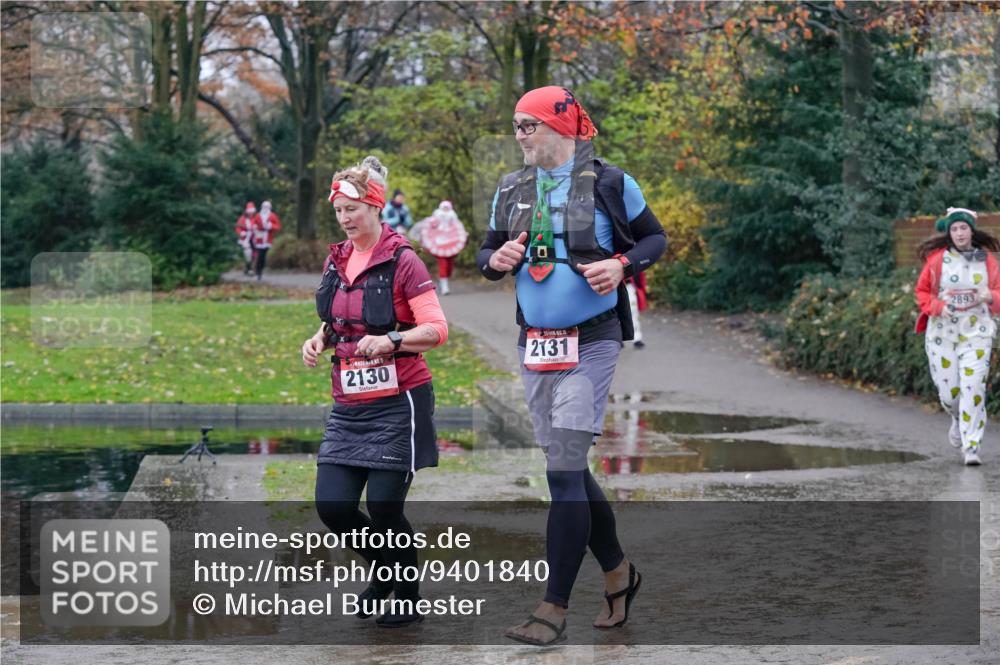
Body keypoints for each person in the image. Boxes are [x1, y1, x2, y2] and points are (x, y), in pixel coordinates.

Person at [477, 86, 667, 645]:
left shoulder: (611, 182)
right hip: (534, 345)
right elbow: (486, 256)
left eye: (526, 125)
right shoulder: (511, 188)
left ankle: (551, 607)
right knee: (570, 471)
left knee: (562, 469)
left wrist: (622, 265)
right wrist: (497, 259)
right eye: (515, 126)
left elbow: (655, 238)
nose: (518, 136)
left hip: (592, 343)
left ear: (559, 128)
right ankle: (618, 574)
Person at [301, 156, 448, 627]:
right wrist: (319, 337)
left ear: (374, 207)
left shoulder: (403, 260)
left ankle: (406, 594)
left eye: (353, 209)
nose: (345, 219)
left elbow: (437, 329)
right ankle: (385, 570)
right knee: (334, 505)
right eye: (339, 211)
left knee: (384, 507)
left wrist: (392, 340)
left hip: (398, 401)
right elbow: (339, 315)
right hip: (349, 402)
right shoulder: (337, 258)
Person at [915, 207, 999, 466]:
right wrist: (939, 307)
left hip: (977, 333)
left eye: (964, 228)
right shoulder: (938, 260)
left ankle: (971, 446)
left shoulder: (988, 260)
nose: (960, 233)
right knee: (951, 395)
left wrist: (991, 297)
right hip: (943, 334)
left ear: (971, 230)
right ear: (949, 233)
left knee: (973, 388)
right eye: (955, 229)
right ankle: (956, 418)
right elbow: (923, 293)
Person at [418, 200, 468, 295]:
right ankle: (445, 286)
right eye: (444, 208)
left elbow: (459, 230)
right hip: (439, 246)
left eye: (447, 208)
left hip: (451, 246)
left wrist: (463, 236)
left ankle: (444, 280)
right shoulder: (435, 218)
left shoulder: (454, 219)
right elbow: (429, 229)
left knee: (449, 267)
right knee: (443, 265)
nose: (445, 211)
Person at [251, 200, 282, 281]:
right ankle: (258, 272)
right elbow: (253, 224)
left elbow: (278, 226)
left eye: (267, 207)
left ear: (269, 208)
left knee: (264, 256)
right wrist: (254, 227)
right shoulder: (258, 215)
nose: (265, 208)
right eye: (264, 207)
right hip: (259, 238)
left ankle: (260, 272)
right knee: (260, 255)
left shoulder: (272, 216)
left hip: (268, 238)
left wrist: (270, 226)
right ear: (262, 207)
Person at [625, 271, 648, 348]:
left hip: (630, 287)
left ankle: (637, 338)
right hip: (615, 288)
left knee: (633, 313)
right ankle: (618, 339)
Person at [235, 202, 256, 275]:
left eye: (252, 212)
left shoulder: (255, 218)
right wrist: (241, 233)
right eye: (249, 212)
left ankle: (248, 268)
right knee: (248, 253)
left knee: (254, 254)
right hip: (245, 239)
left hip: (254, 239)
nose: (251, 214)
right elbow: (237, 228)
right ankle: (249, 269)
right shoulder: (242, 219)